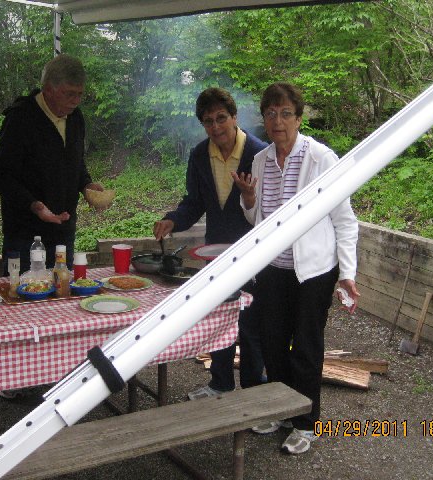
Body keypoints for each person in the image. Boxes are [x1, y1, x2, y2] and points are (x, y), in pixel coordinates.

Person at [232, 82, 360, 455]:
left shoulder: (321, 159)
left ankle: (305, 422)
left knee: (305, 346)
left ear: (299, 119)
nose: (278, 121)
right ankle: (280, 411)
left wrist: (348, 273)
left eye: (286, 113)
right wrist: (248, 198)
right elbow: (256, 217)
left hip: (313, 271)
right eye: (271, 114)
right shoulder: (260, 160)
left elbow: (345, 220)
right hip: (273, 267)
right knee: (273, 341)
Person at [153, 87, 268, 399]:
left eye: (221, 118)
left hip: (253, 251)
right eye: (208, 121)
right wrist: (173, 220)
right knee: (218, 317)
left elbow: (270, 206)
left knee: (251, 323)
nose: (216, 127)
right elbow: (194, 202)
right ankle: (220, 383)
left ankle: (253, 390)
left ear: (234, 117)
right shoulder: (199, 155)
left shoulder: (259, 153)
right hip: (215, 251)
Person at [0, 54, 104, 274]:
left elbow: (75, 163)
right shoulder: (20, 118)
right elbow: (1, 177)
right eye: (69, 94)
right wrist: (35, 205)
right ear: (48, 89)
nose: (76, 101)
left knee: (63, 289)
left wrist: (86, 185)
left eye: (80, 94)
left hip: (63, 232)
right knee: (23, 292)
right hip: (25, 235)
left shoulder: (75, 118)